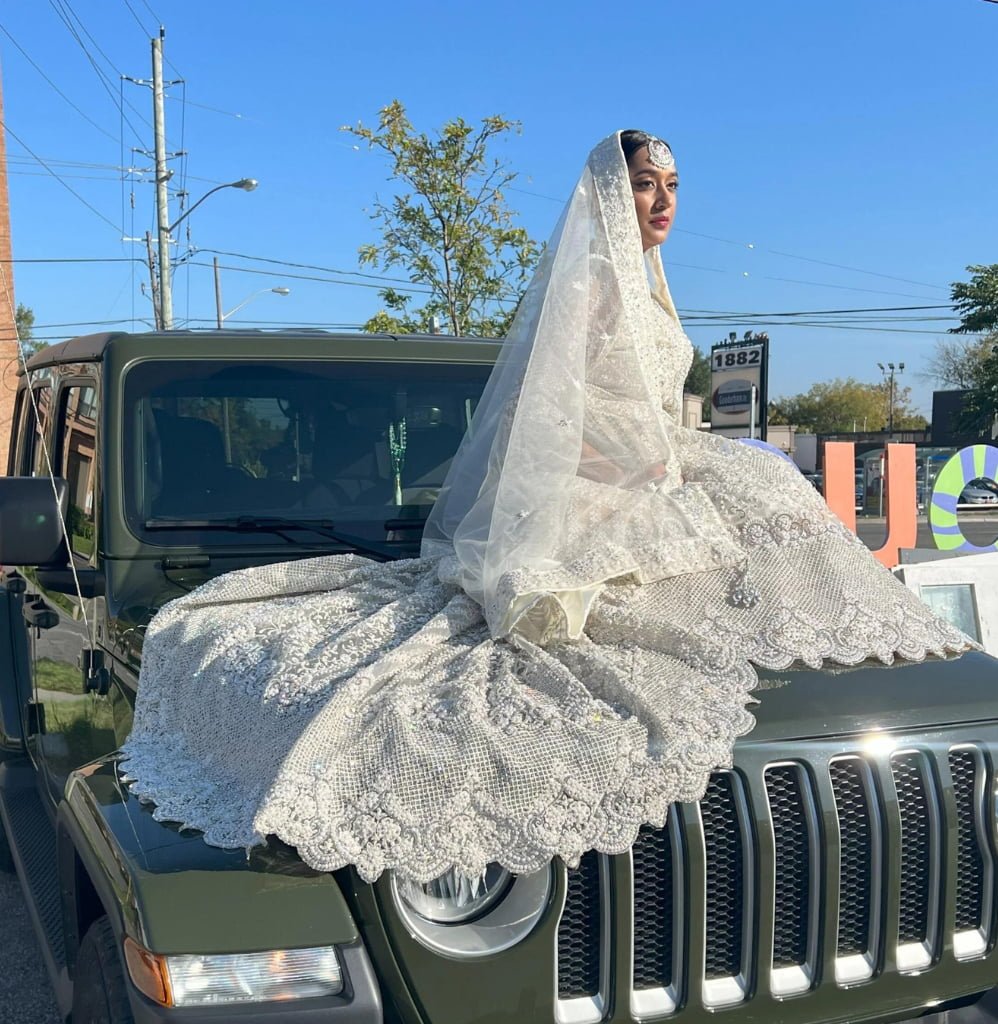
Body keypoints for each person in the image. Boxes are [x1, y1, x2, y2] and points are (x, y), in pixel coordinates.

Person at [121, 130, 972, 884]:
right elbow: (550, 418)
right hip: (596, 487)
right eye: (646, 183)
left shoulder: (646, 287)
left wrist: (664, 455)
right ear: (610, 191)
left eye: (674, 186)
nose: (664, 200)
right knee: (740, 499)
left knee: (764, 488)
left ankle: (784, 633)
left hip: (650, 471)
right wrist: (643, 462)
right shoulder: (590, 288)